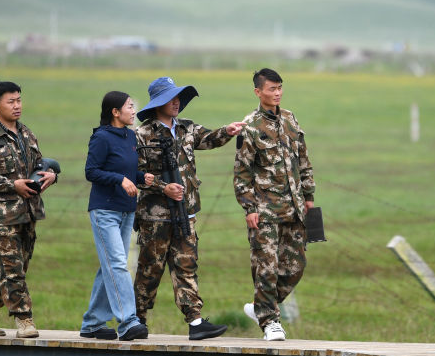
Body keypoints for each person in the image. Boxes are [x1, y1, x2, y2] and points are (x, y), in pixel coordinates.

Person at [132, 76, 245, 340]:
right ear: (158, 103)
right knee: (151, 268)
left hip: (186, 212)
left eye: (178, 98)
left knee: (186, 265)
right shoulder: (142, 134)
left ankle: (195, 323)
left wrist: (227, 131)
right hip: (155, 216)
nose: (177, 102)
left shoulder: (187, 128)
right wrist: (163, 187)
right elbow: (136, 173)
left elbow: (208, 139)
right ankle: (136, 320)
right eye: (171, 98)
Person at [0, 81, 57, 339]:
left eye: (19, 100)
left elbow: (39, 165)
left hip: (29, 213)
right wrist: (12, 185)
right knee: (13, 270)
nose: (17, 105)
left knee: (14, 269)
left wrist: (50, 176)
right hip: (3, 217)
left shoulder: (28, 135)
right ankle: (24, 320)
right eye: (11, 101)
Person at [234, 68, 315, 341]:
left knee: (295, 266)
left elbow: (303, 159)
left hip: (295, 207)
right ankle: (270, 321)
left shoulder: (290, 119)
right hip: (265, 210)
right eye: (271, 88)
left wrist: (309, 197)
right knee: (266, 266)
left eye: (280, 88)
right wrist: (249, 208)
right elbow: (242, 170)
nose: (277, 93)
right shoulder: (251, 126)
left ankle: (260, 307)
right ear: (258, 92)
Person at [79, 91, 156, 341]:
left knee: (109, 267)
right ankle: (128, 322)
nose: (133, 111)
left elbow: (126, 171)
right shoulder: (101, 137)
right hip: (105, 211)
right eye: (129, 106)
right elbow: (92, 172)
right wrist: (120, 179)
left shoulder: (130, 136)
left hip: (126, 211)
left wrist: (140, 178)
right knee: (117, 265)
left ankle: (92, 324)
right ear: (115, 112)